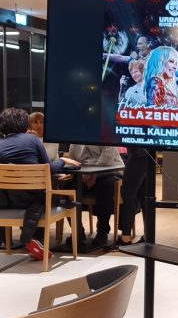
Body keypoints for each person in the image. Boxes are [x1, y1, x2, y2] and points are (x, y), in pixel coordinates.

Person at [0, 108, 79, 260]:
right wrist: (62, 160)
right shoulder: (33, 140)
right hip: (33, 199)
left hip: (7, 201)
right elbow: (49, 169)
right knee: (58, 197)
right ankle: (35, 239)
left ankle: (31, 240)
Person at [65, 144, 125, 250]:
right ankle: (78, 230)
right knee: (67, 187)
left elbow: (107, 159)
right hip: (84, 175)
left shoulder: (105, 137)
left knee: (105, 186)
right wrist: (83, 176)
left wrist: (93, 175)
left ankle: (102, 232)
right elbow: (73, 163)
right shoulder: (74, 142)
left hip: (109, 170)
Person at [117, 147, 148, 246]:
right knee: (145, 198)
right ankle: (148, 236)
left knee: (128, 196)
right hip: (147, 154)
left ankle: (125, 238)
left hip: (137, 154)